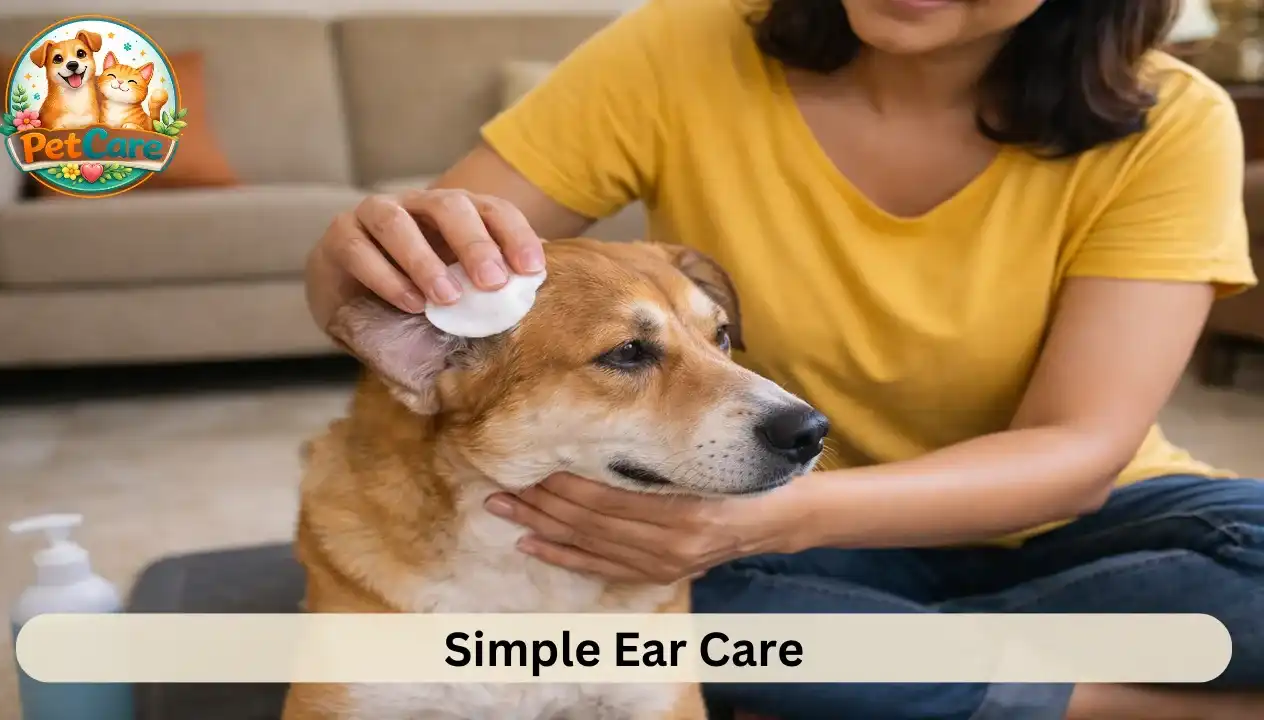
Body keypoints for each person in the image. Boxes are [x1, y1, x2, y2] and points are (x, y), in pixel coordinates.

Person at [304, 0, 1263, 717]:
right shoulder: (681, 47)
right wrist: (363, 256)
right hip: (746, 525)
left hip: (1066, 523)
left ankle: (915, 674)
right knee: (698, 621)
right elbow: (406, 296)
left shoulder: (1174, 119)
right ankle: (1118, 696)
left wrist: (773, 523)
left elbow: (1080, 452)